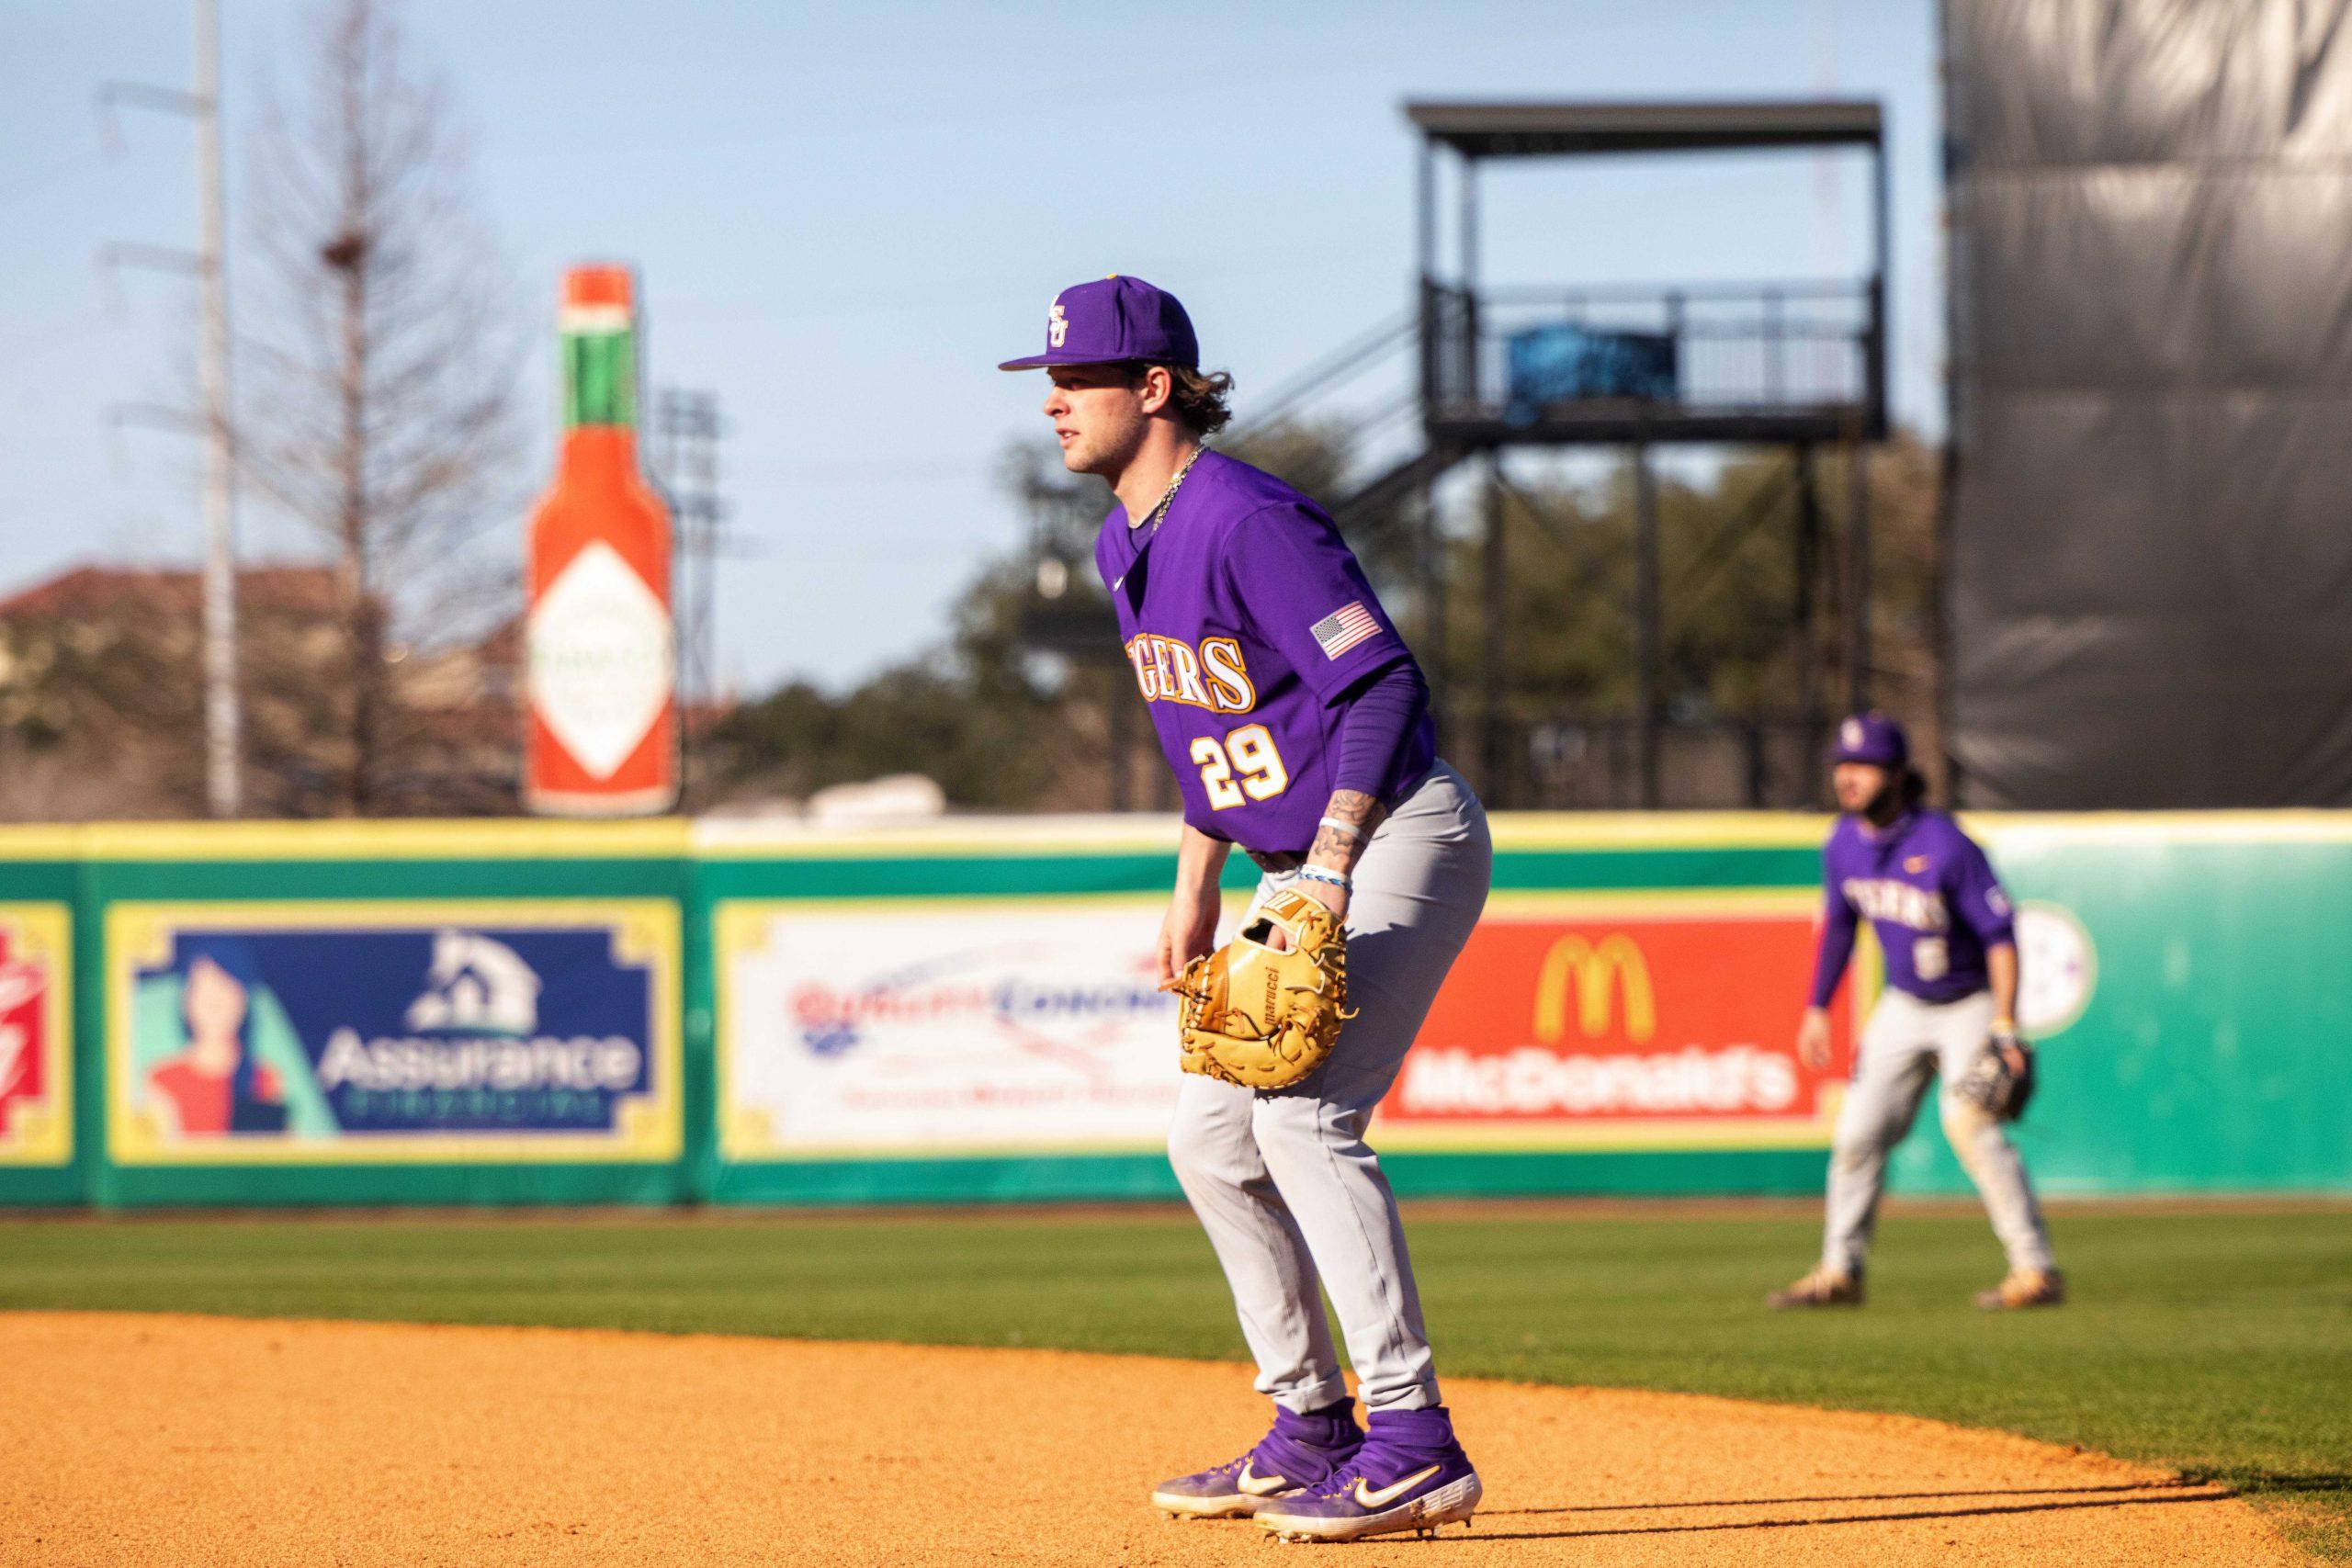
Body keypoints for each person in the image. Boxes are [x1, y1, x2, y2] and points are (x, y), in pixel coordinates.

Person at [1001, 276, 1489, 1542]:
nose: (1052, 400)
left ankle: (1415, 1438)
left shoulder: (1247, 517)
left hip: (1389, 828)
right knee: (1212, 1140)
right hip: (1287, 856)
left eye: (1079, 379)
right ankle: (1311, 1423)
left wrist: (1324, 864)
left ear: (1154, 387)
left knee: (1305, 1114)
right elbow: (1214, 733)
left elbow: (1380, 687)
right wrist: (1196, 880)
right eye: (1048, 380)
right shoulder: (1126, 540)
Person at [1770, 713, 2063, 1313]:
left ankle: (2035, 1269)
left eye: (1863, 766)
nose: (1847, 777)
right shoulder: (1843, 843)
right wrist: (1817, 1005)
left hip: (1969, 1001)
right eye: (1841, 766)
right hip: (1904, 1003)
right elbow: (1841, 927)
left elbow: (2000, 937)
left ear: (1898, 773)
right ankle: (1839, 1271)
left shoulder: (1946, 843)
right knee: (1855, 1134)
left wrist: (2005, 1024)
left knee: (1971, 1124)